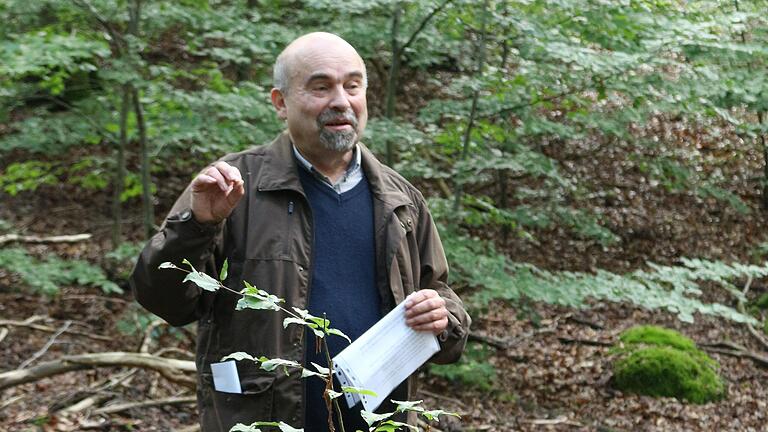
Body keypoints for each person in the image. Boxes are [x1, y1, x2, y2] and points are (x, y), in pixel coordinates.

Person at [130, 32, 471, 432]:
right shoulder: (233, 187)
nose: (341, 101)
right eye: (321, 87)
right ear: (280, 102)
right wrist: (198, 226)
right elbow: (165, 299)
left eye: (353, 85)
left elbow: (443, 300)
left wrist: (443, 317)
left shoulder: (402, 201)